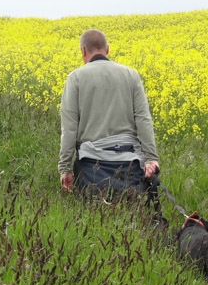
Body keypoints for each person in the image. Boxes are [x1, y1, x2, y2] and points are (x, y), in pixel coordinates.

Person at [58, 29, 162, 213]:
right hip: (130, 165)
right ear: (107, 49)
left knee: (94, 220)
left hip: (91, 168)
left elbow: (69, 129)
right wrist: (151, 159)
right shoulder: (131, 75)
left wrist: (65, 168)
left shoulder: (75, 78)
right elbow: (144, 120)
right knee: (137, 220)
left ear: (83, 51)